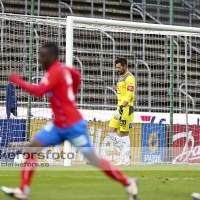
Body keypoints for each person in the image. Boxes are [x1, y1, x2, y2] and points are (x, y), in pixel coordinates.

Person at [1, 43, 138, 200]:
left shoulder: (55, 72)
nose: (39, 60)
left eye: (42, 56)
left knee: (94, 160)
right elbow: (76, 75)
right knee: (32, 149)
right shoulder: (64, 69)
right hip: (58, 124)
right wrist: (71, 97)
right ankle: (23, 190)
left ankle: (129, 183)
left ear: (51, 57)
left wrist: (17, 80)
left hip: (73, 125)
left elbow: (38, 92)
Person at [108, 58, 135, 165]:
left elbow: (129, 94)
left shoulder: (130, 78)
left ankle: (125, 160)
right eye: (116, 67)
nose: (117, 69)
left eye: (119, 67)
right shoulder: (121, 78)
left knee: (124, 134)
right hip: (119, 108)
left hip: (126, 108)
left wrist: (122, 108)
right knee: (111, 132)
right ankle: (125, 154)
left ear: (125, 66)